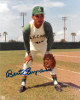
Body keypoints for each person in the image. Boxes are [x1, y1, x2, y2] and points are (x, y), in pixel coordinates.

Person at [18, 6, 62, 93]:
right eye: (37, 16)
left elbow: (50, 39)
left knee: (50, 62)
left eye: (42, 16)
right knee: (27, 63)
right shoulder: (27, 28)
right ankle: (23, 84)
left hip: (43, 44)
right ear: (33, 17)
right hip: (32, 45)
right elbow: (26, 42)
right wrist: (28, 53)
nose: (40, 18)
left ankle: (56, 83)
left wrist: (47, 52)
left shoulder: (47, 25)